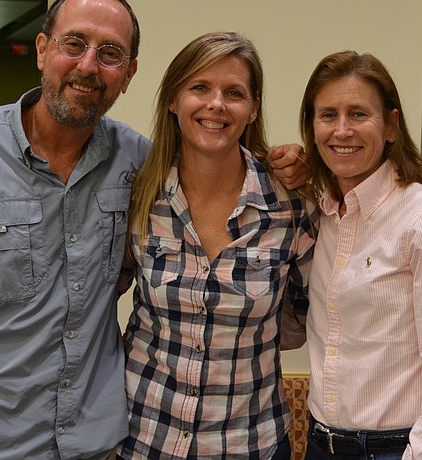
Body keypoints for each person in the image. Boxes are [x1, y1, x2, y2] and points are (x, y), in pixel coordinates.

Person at [0, 0, 308, 460]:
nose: (89, 66)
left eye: (110, 54)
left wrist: (289, 163)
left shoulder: (138, 165)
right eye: (74, 44)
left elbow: (214, 156)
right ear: (43, 49)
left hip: (93, 444)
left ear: (128, 75)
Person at [116, 31, 317, 460]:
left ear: (253, 109)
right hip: (144, 437)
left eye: (234, 93)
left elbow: (303, 319)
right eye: (199, 88)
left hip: (252, 442)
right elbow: (96, 297)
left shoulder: (292, 206)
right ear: (173, 99)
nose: (216, 105)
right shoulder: (139, 198)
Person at [299, 51, 422, 460]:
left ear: (392, 126)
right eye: (327, 115)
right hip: (320, 443)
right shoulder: (320, 214)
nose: (341, 130)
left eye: (359, 114)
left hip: (395, 449)